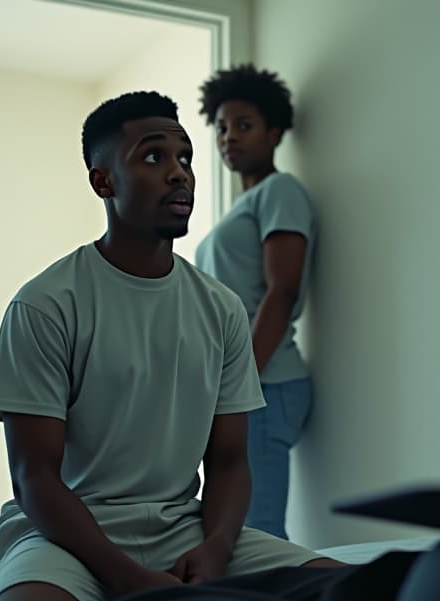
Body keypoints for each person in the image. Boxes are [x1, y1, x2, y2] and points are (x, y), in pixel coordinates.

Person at [0, 91, 341, 601]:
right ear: (103, 179)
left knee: (355, 591)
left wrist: (216, 549)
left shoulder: (219, 309)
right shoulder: (46, 304)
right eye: (153, 156)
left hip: (183, 526)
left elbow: (227, 462)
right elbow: (35, 476)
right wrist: (127, 579)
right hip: (67, 534)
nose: (179, 171)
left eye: (186, 157)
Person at [195, 65, 316, 540]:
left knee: (257, 533)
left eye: (243, 125)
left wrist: (239, 382)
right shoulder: (240, 208)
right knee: (235, 529)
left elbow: (281, 290)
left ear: (275, 132)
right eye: (221, 127)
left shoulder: (280, 191)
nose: (229, 137)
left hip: (266, 384)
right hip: (245, 388)